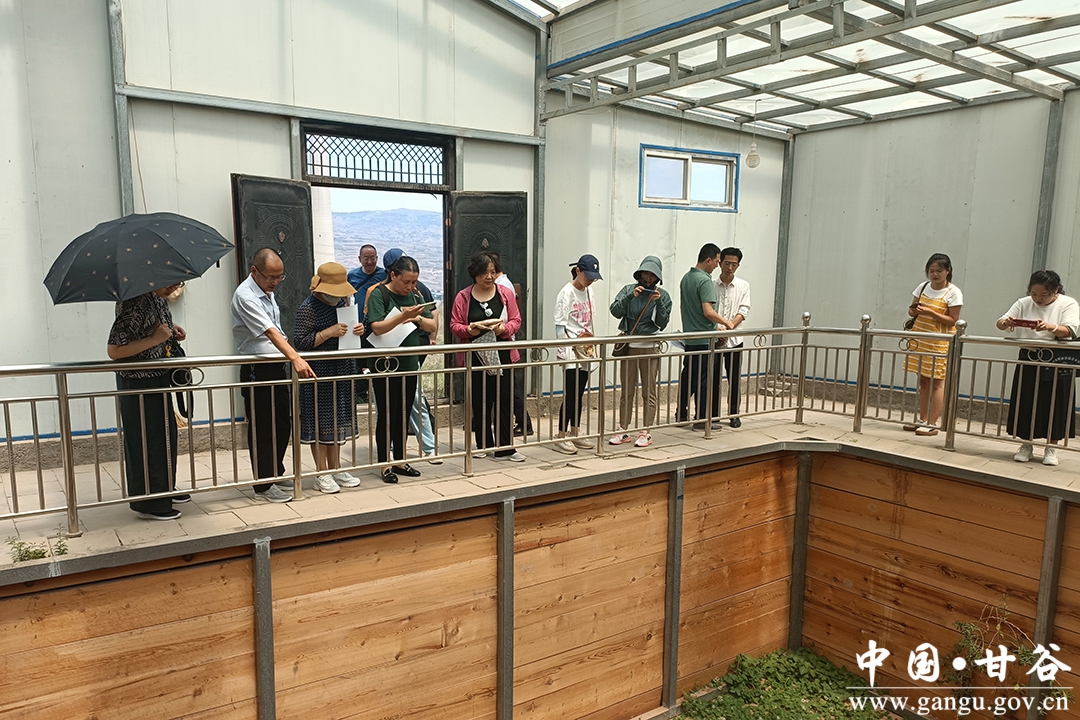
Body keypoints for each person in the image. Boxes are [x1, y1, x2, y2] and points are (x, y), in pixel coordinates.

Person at [231, 248, 315, 503]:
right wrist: (296, 357)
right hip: (258, 369)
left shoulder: (267, 291)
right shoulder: (245, 296)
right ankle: (263, 485)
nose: (275, 282)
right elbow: (270, 331)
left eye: (279, 277)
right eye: (270, 277)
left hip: (276, 365)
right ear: (254, 271)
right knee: (263, 426)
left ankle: (274, 473)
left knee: (282, 423)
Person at [107, 282, 188, 520]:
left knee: (163, 437)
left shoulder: (156, 296)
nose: (173, 287)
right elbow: (114, 350)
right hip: (138, 382)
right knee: (146, 440)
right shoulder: (134, 302)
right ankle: (149, 503)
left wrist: (172, 330)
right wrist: (155, 339)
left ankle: (164, 489)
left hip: (157, 377)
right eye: (170, 282)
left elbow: (153, 328)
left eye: (178, 283)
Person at [292, 262, 365, 494]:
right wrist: (328, 333)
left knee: (337, 421)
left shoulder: (343, 304)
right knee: (320, 423)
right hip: (318, 373)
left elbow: (350, 331)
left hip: (341, 370)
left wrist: (358, 330)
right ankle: (321, 472)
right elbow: (300, 342)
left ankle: (336, 468)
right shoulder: (308, 308)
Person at [997, 270, 1079, 466]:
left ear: (1056, 290)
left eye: (1044, 294)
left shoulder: (1068, 303)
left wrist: (1049, 327)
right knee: (1026, 401)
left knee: (1056, 404)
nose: (1038, 299)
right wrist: (1007, 322)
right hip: (1029, 357)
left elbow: (1071, 330)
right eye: (1034, 294)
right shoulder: (1023, 302)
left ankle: (1052, 447)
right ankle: (1026, 445)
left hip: (1057, 359)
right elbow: (1000, 322)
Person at [367, 255, 437, 483]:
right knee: (387, 413)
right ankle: (384, 463)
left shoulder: (415, 296)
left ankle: (400, 459)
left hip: (408, 363)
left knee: (404, 412)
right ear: (393, 275)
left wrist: (416, 319)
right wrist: (402, 317)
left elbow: (431, 324)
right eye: (406, 281)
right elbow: (377, 327)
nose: (410, 286)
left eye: (414, 281)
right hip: (385, 364)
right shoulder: (379, 294)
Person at [451, 252, 525, 462]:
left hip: (503, 352)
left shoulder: (505, 294)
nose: (489, 277)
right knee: (481, 399)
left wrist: (503, 329)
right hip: (476, 355)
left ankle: (505, 447)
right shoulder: (463, 297)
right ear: (475, 274)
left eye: (493, 272)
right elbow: (454, 325)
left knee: (504, 399)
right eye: (484, 272)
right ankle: (483, 444)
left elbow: (516, 320)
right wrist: (469, 330)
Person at [608, 256, 672, 448]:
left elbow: (662, 323)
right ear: (639, 273)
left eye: (652, 275)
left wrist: (658, 303)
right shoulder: (629, 289)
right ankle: (622, 428)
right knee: (626, 390)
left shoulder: (663, 295)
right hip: (629, 346)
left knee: (648, 391)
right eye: (645, 273)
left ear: (658, 277)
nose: (648, 278)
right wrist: (631, 296)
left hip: (650, 346)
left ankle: (646, 430)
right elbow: (615, 311)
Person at [903, 253, 963, 436]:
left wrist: (931, 313)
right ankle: (922, 418)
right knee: (923, 380)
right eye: (931, 271)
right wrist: (915, 310)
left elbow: (953, 320)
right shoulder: (922, 287)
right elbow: (911, 312)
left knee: (937, 381)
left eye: (939, 271)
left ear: (948, 271)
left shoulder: (953, 292)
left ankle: (933, 422)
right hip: (920, 338)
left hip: (939, 342)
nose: (935, 274)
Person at [552, 254, 602, 454]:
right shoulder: (566, 292)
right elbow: (560, 325)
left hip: (586, 347)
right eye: (587, 275)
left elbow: (590, 319)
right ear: (578, 271)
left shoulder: (589, 291)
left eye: (593, 277)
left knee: (579, 393)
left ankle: (575, 431)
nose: (590, 280)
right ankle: (561, 435)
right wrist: (564, 350)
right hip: (571, 348)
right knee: (571, 393)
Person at [678, 243, 729, 430]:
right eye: (716, 261)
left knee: (688, 377)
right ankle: (701, 419)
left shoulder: (686, 278)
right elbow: (708, 311)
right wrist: (726, 323)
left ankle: (681, 414)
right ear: (708, 260)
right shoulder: (705, 280)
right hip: (705, 340)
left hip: (690, 338)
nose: (717, 265)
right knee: (704, 381)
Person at [490, 251, 533, 437]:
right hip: (502, 343)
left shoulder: (502, 287)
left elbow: (513, 319)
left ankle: (524, 422)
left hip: (504, 343)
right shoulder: (503, 283)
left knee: (509, 389)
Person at [713, 248, 751, 428]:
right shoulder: (711, 285)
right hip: (714, 339)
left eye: (733, 264)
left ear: (738, 265)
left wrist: (728, 328)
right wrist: (718, 329)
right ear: (720, 263)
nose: (729, 268)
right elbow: (708, 311)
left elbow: (744, 310)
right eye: (726, 263)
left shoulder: (743, 285)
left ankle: (734, 414)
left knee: (734, 378)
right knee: (713, 379)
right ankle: (713, 414)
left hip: (734, 340)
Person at [347, 244, 385, 403]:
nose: (370, 262)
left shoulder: (384, 274)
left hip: (376, 324)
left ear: (377, 258)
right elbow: (347, 297)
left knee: (374, 358)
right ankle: (360, 393)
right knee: (357, 358)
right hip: (356, 325)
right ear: (359, 259)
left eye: (372, 258)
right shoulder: (352, 276)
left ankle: (375, 393)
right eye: (366, 258)